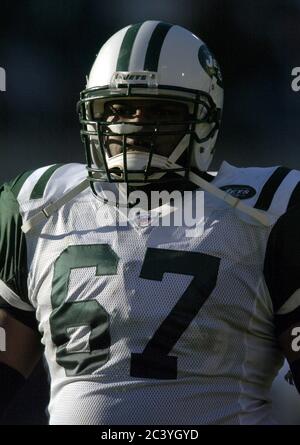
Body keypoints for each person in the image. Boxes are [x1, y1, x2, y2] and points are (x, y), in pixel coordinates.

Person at [0, 20, 299, 425]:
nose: (136, 125)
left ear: (205, 120)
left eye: (161, 110)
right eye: (119, 108)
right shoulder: (39, 206)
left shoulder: (269, 212)